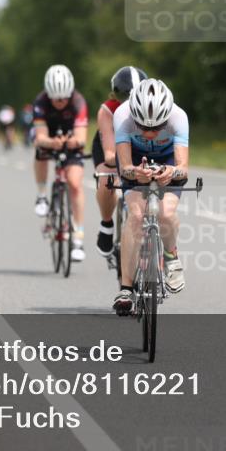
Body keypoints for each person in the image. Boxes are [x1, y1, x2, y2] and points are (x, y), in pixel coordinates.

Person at [112, 78, 188, 315]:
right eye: (144, 128)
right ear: (134, 116)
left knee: (165, 212)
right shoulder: (123, 116)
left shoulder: (178, 117)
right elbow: (124, 166)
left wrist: (171, 172)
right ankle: (126, 289)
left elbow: (183, 167)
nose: (151, 133)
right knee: (135, 215)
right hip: (135, 160)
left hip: (168, 160)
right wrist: (136, 173)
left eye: (157, 127)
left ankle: (171, 257)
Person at [92, 66, 147, 270]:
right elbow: (108, 153)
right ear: (116, 96)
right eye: (124, 98)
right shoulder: (107, 110)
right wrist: (124, 165)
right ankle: (107, 224)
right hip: (111, 147)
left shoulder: (153, 106)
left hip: (137, 148)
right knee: (108, 181)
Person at [32, 64, 88, 262]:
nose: (60, 102)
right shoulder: (40, 102)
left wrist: (73, 142)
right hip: (49, 135)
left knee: (74, 184)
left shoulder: (79, 101)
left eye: (64, 98)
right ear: (49, 95)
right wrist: (51, 143)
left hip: (71, 137)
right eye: (56, 99)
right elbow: (40, 136)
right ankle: (41, 196)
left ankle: (78, 238)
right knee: (40, 150)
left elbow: (81, 137)